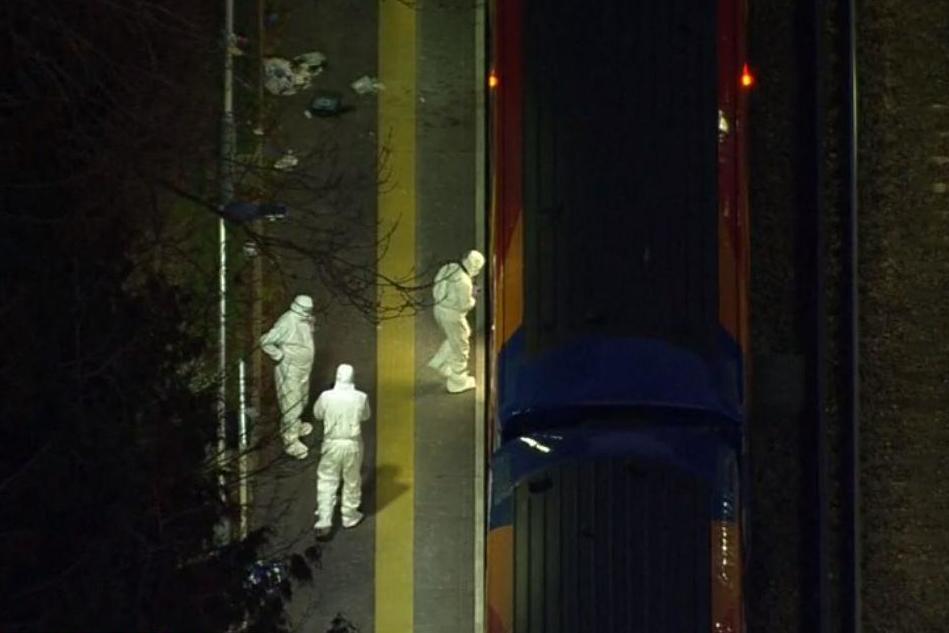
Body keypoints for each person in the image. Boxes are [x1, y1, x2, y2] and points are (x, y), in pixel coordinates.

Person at [313, 364, 371, 538]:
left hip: (331, 443)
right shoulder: (361, 397)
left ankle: (324, 519)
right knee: (351, 479)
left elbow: (318, 414)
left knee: (327, 480)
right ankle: (349, 515)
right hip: (352, 444)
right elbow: (365, 416)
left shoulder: (326, 396)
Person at [260, 295, 316, 459]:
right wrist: (278, 355)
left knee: (302, 399)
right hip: (289, 368)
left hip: (303, 368)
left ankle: (293, 426)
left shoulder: (304, 320)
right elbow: (265, 341)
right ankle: (291, 442)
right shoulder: (287, 322)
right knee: (291, 404)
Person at [427, 249, 485, 393]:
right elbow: (465, 304)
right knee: (461, 345)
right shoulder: (464, 282)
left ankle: (440, 362)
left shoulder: (449, 267)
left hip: (439, 309)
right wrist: (473, 296)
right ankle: (458, 381)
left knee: (456, 337)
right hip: (452, 316)